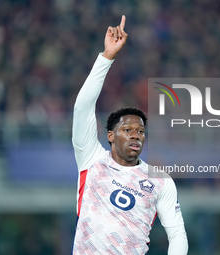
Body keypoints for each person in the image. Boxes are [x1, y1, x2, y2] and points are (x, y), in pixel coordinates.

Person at [72, 15, 188, 254]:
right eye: (127, 130)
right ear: (111, 136)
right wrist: (107, 57)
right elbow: (82, 107)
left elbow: (177, 234)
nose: (136, 136)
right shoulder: (91, 159)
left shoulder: (160, 180)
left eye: (141, 132)